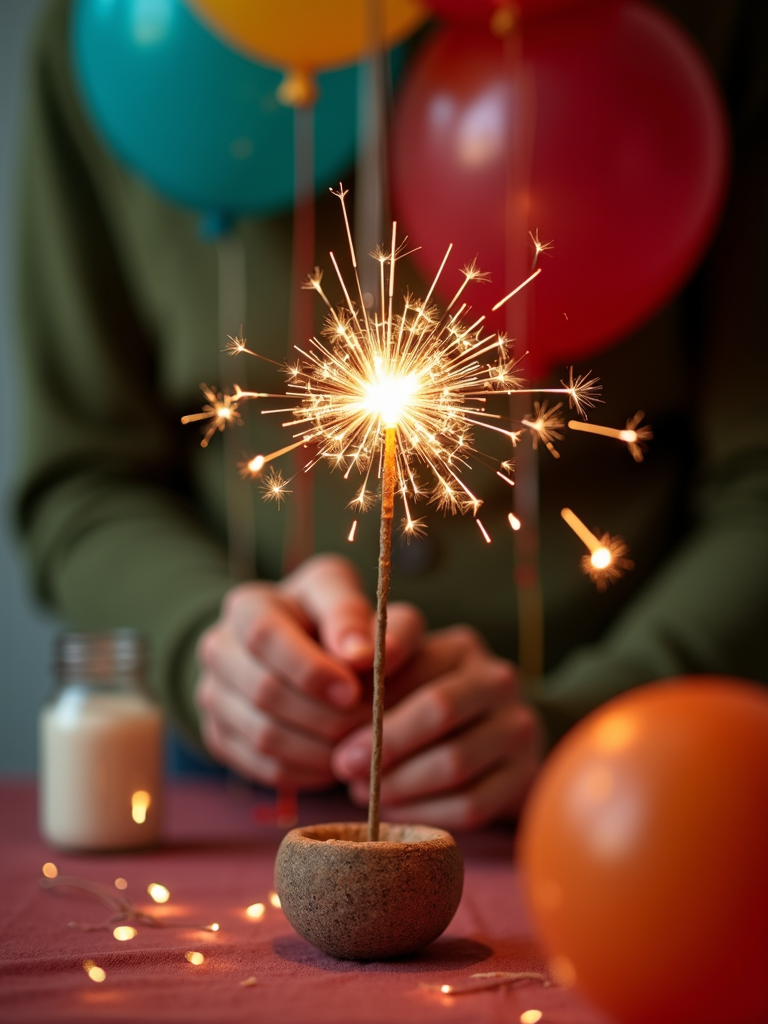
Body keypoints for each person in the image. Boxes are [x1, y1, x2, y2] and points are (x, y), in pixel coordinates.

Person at [15, 0, 767, 828]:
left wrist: (589, 712)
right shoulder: (117, 32)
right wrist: (204, 641)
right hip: (229, 791)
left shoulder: (717, 29)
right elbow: (84, 479)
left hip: (642, 786)